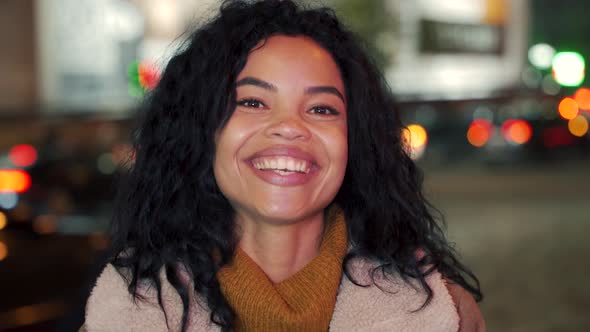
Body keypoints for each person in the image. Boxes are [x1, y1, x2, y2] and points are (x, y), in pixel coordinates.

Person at [82, 0, 485, 331]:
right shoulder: (123, 313)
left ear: (355, 141)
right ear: (201, 131)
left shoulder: (444, 314)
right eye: (252, 102)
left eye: (322, 108)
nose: (290, 127)